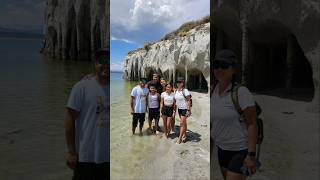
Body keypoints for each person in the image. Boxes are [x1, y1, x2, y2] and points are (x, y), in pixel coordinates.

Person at [212, 49, 258, 180]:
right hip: (221, 149)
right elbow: (213, 125)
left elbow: (252, 123)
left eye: (224, 66)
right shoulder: (213, 91)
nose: (219, 69)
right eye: (216, 65)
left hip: (240, 151)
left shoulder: (241, 92)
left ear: (233, 70)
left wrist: (251, 155)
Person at [65, 49, 109, 180]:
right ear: (95, 64)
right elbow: (69, 120)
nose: (106, 65)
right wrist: (71, 152)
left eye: (109, 62)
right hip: (86, 157)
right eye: (102, 61)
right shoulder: (81, 87)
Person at [174, 77, 191, 144]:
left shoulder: (185, 90)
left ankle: (180, 138)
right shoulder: (176, 91)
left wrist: (188, 110)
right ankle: (184, 134)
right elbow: (175, 101)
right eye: (177, 82)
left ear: (182, 83)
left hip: (185, 109)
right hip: (179, 109)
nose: (178, 83)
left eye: (180, 82)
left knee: (181, 123)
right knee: (184, 123)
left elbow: (188, 100)